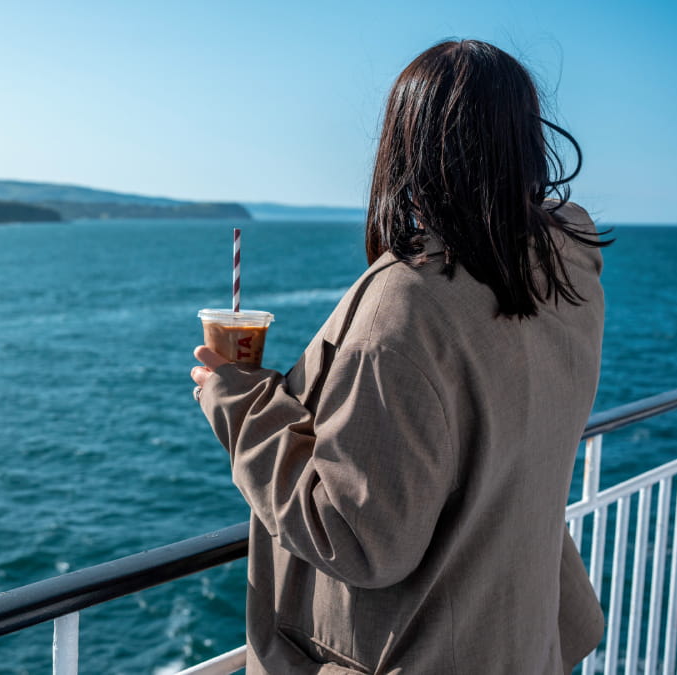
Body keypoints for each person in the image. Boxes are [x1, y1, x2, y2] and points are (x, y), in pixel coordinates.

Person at [191, 40, 610, 674]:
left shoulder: (407, 307)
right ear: (525, 141)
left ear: (408, 146)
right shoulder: (565, 271)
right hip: (519, 640)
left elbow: (359, 536)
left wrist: (240, 401)